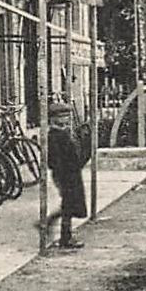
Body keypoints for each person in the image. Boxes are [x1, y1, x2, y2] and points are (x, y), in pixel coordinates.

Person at [43, 101, 90, 250]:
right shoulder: (54, 135)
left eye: (67, 115)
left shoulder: (63, 133)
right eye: (63, 116)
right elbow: (55, 160)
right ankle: (65, 237)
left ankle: (50, 223)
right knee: (68, 204)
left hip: (71, 173)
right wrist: (64, 173)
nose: (67, 119)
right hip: (65, 174)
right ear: (54, 119)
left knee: (68, 203)